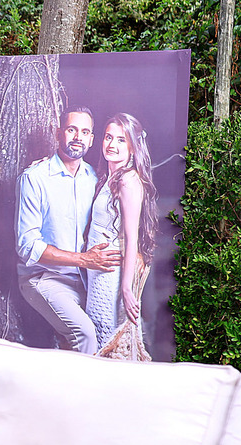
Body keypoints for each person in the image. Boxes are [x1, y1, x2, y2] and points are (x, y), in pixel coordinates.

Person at [15, 107, 120, 354]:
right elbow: (27, 245)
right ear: (58, 133)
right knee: (85, 334)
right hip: (43, 278)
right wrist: (83, 260)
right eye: (72, 129)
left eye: (85, 132)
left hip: (85, 281)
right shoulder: (35, 178)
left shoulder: (95, 179)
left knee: (110, 333)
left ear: (91, 139)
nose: (78, 137)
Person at [83, 112, 159, 361]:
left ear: (133, 147)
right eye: (108, 137)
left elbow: (131, 237)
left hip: (111, 274)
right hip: (97, 271)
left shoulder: (128, 180)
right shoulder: (108, 177)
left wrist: (126, 288)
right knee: (98, 337)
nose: (111, 144)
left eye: (121, 140)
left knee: (108, 340)